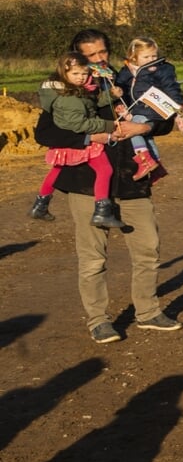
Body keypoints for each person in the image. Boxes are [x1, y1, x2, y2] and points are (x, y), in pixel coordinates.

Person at [40, 30, 168, 341]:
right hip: (87, 183)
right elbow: (45, 135)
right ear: (77, 59)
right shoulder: (66, 90)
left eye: (102, 53)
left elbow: (163, 115)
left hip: (132, 179)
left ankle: (148, 312)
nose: (99, 60)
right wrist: (90, 136)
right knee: (93, 256)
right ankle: (98, 319)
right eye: (91, 55)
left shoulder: (128, 81)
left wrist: (145, 125)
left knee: (148, 248)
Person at [33, 53, 125, 229]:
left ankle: (40, 204)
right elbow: (79, 123)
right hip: (83, 141)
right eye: (76, 74)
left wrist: (110, 95)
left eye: (84, 74)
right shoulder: (69, 98)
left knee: (58, 169)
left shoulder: (76, 90)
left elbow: (92, 103)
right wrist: (108, 125)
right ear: (64, 73)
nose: (81, 78)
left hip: (70, 142)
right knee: (105, 169)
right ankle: (101, 211)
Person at [113, 36, 181, 180]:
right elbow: (123, 88)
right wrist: (119, 99)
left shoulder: (160, 69)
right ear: (134, 57)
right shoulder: (126, 71)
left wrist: (176, 102)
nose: (151, 59)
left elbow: (171, 85)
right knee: (146, 136)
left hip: (152, 107)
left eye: (154, 55)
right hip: (136, 108)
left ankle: (145, 161)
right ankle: (156, 164)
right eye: (146, 56)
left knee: (134, 129)